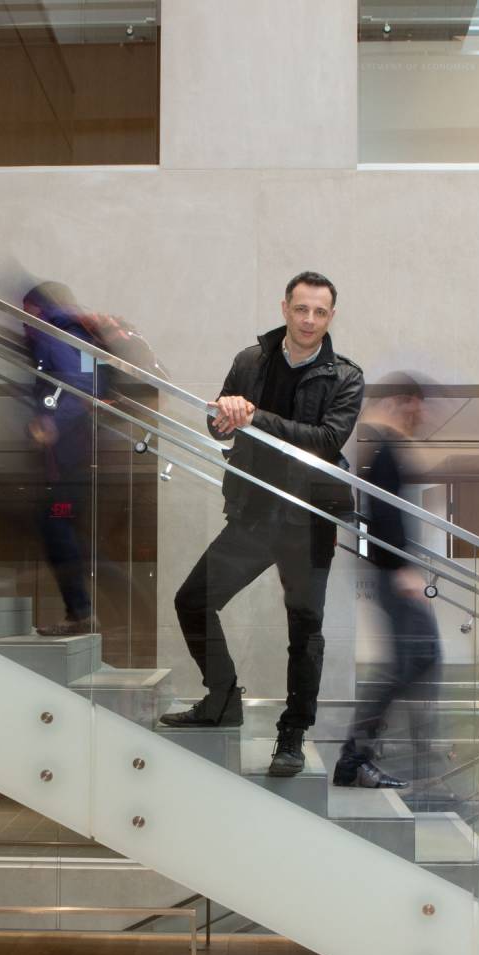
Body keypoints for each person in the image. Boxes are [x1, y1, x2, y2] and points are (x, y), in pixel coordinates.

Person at [160, 272, 365, 779]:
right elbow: (219, 426)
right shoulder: (250, 362)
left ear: (332, 316)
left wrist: (254, 419)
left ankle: (292, 734)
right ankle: (222, 698)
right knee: (193, 600)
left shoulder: (346, 376)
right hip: (253, 513)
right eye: (301, 309)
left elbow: (326, 440)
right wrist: (224, 414)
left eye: (320, 312)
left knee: (305, 629)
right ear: (285, 308)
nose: (309, 320)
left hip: (309, 521)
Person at [332, 373, 438, 790]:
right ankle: (359, 757)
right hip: (392, 573)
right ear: (399, 401)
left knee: (416, 659)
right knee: (411, 660)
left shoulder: (382, 443)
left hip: (392, 571)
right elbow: (382, 511)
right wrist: (401, 569)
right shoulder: (380, 443)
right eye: (416, 403)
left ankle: (369, 756)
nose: (421, 413)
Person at [20, 281, 108, 637]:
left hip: (68, 460)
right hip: (78, 457)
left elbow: (83, 388)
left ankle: (81, 611)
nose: (23, 320)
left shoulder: (55, 334)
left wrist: (51, 423)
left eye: (26, 311)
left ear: (38, 308)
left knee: (55, 522)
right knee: (60, 525)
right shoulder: (77, 333)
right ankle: (82, 608)